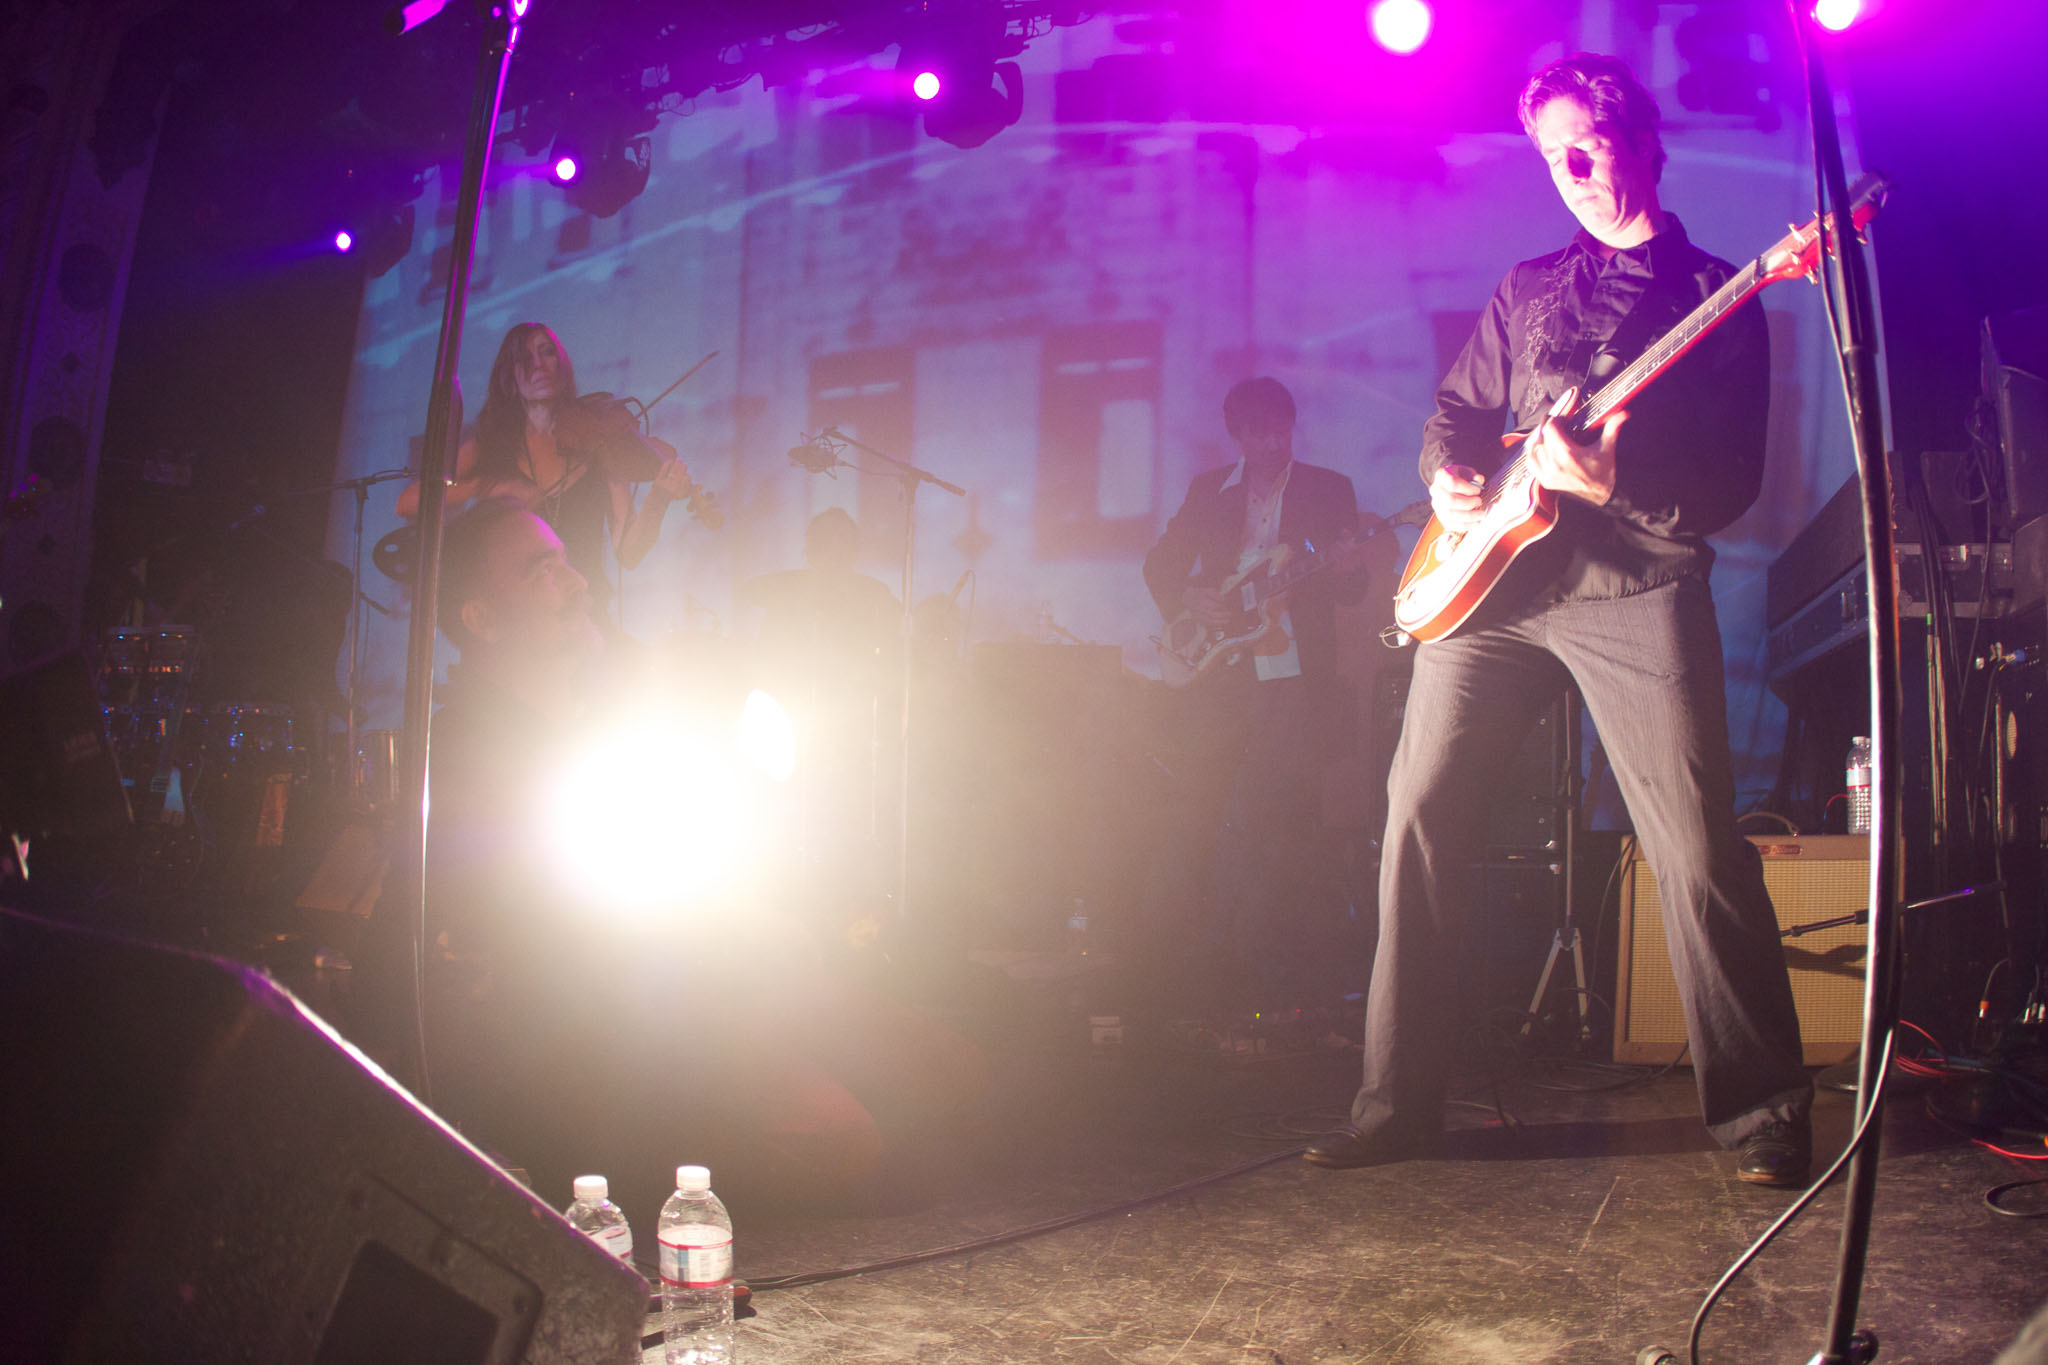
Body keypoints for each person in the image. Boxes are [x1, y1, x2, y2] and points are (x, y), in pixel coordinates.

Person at [1304, 53, 1812, 1185]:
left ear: (1639, 138)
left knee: (1694, 845)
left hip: (1635, 590)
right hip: (1494, 593)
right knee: (1416, 815)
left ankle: (1761, 1113)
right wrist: (1447, 479)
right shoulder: (1529, 284)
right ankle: (1395, 1107)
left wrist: (1617, 486)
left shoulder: (1715, 295)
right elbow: (1456, 409)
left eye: (1587, 146)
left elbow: (1733, 480)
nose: (1571, 172)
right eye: (1550, 156)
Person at [415, 497, 985, 1215]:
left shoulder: (605, 721)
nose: (578, 583)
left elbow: (674, 872)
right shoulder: (469, 758)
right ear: (481, 619)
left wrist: (751, 927)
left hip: (710, 991)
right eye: (541, 572)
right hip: (619, 1036)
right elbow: (571, 950)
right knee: (844, 1143)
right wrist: (731, 946)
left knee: (952, 1073)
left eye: (567, 562)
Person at [1142, 377, 1390, 1013]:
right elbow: (1160, 564)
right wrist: (1187, 598)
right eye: (1258, 433)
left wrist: (1348, 567)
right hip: (1219, 673)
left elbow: (1351, 591)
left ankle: (1266, 968)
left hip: (1291, 675)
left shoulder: (1328, 489)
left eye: (1280, 429)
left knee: (1271, 818)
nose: (1272, 443)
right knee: (1207, 812)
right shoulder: (1209, 491)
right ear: (1238, 436)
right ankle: (1202, 962)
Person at [396, 322, 702, 625]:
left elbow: (628, 553)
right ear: (510, 378)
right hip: (520, 623)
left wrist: (658, 499)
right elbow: (408, 501)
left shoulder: (598, 439)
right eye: (525, 359)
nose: (539, 365)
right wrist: (484, 487)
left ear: (562, 365)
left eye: (547, 353)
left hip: (585, 615)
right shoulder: (491, 444)